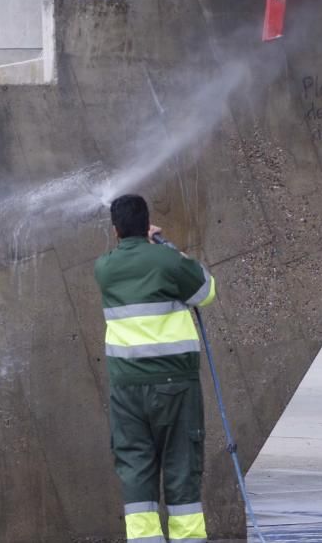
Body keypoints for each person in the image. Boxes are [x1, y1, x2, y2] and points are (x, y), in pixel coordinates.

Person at [94, 194, 217, 543]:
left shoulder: (103, 268)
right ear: (147, 224)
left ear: (115, 229)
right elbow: (206, 291)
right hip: (175, 384)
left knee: (135, 469)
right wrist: (169, 245)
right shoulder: (167, 260)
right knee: (181, 467)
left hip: (126, 389)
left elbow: (132, 265)